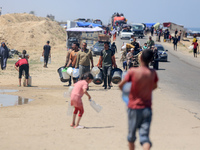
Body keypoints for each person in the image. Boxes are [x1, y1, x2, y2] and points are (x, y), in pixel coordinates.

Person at [118, 49, 159, 150]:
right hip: (147, 108)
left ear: (140, 58)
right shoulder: (153, 73)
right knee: (144, 138)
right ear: (151, 60)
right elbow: (154, 87)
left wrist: (128, 92)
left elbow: (121, 85)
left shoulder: (133, 71)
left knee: (131, 137)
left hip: (134, 107)